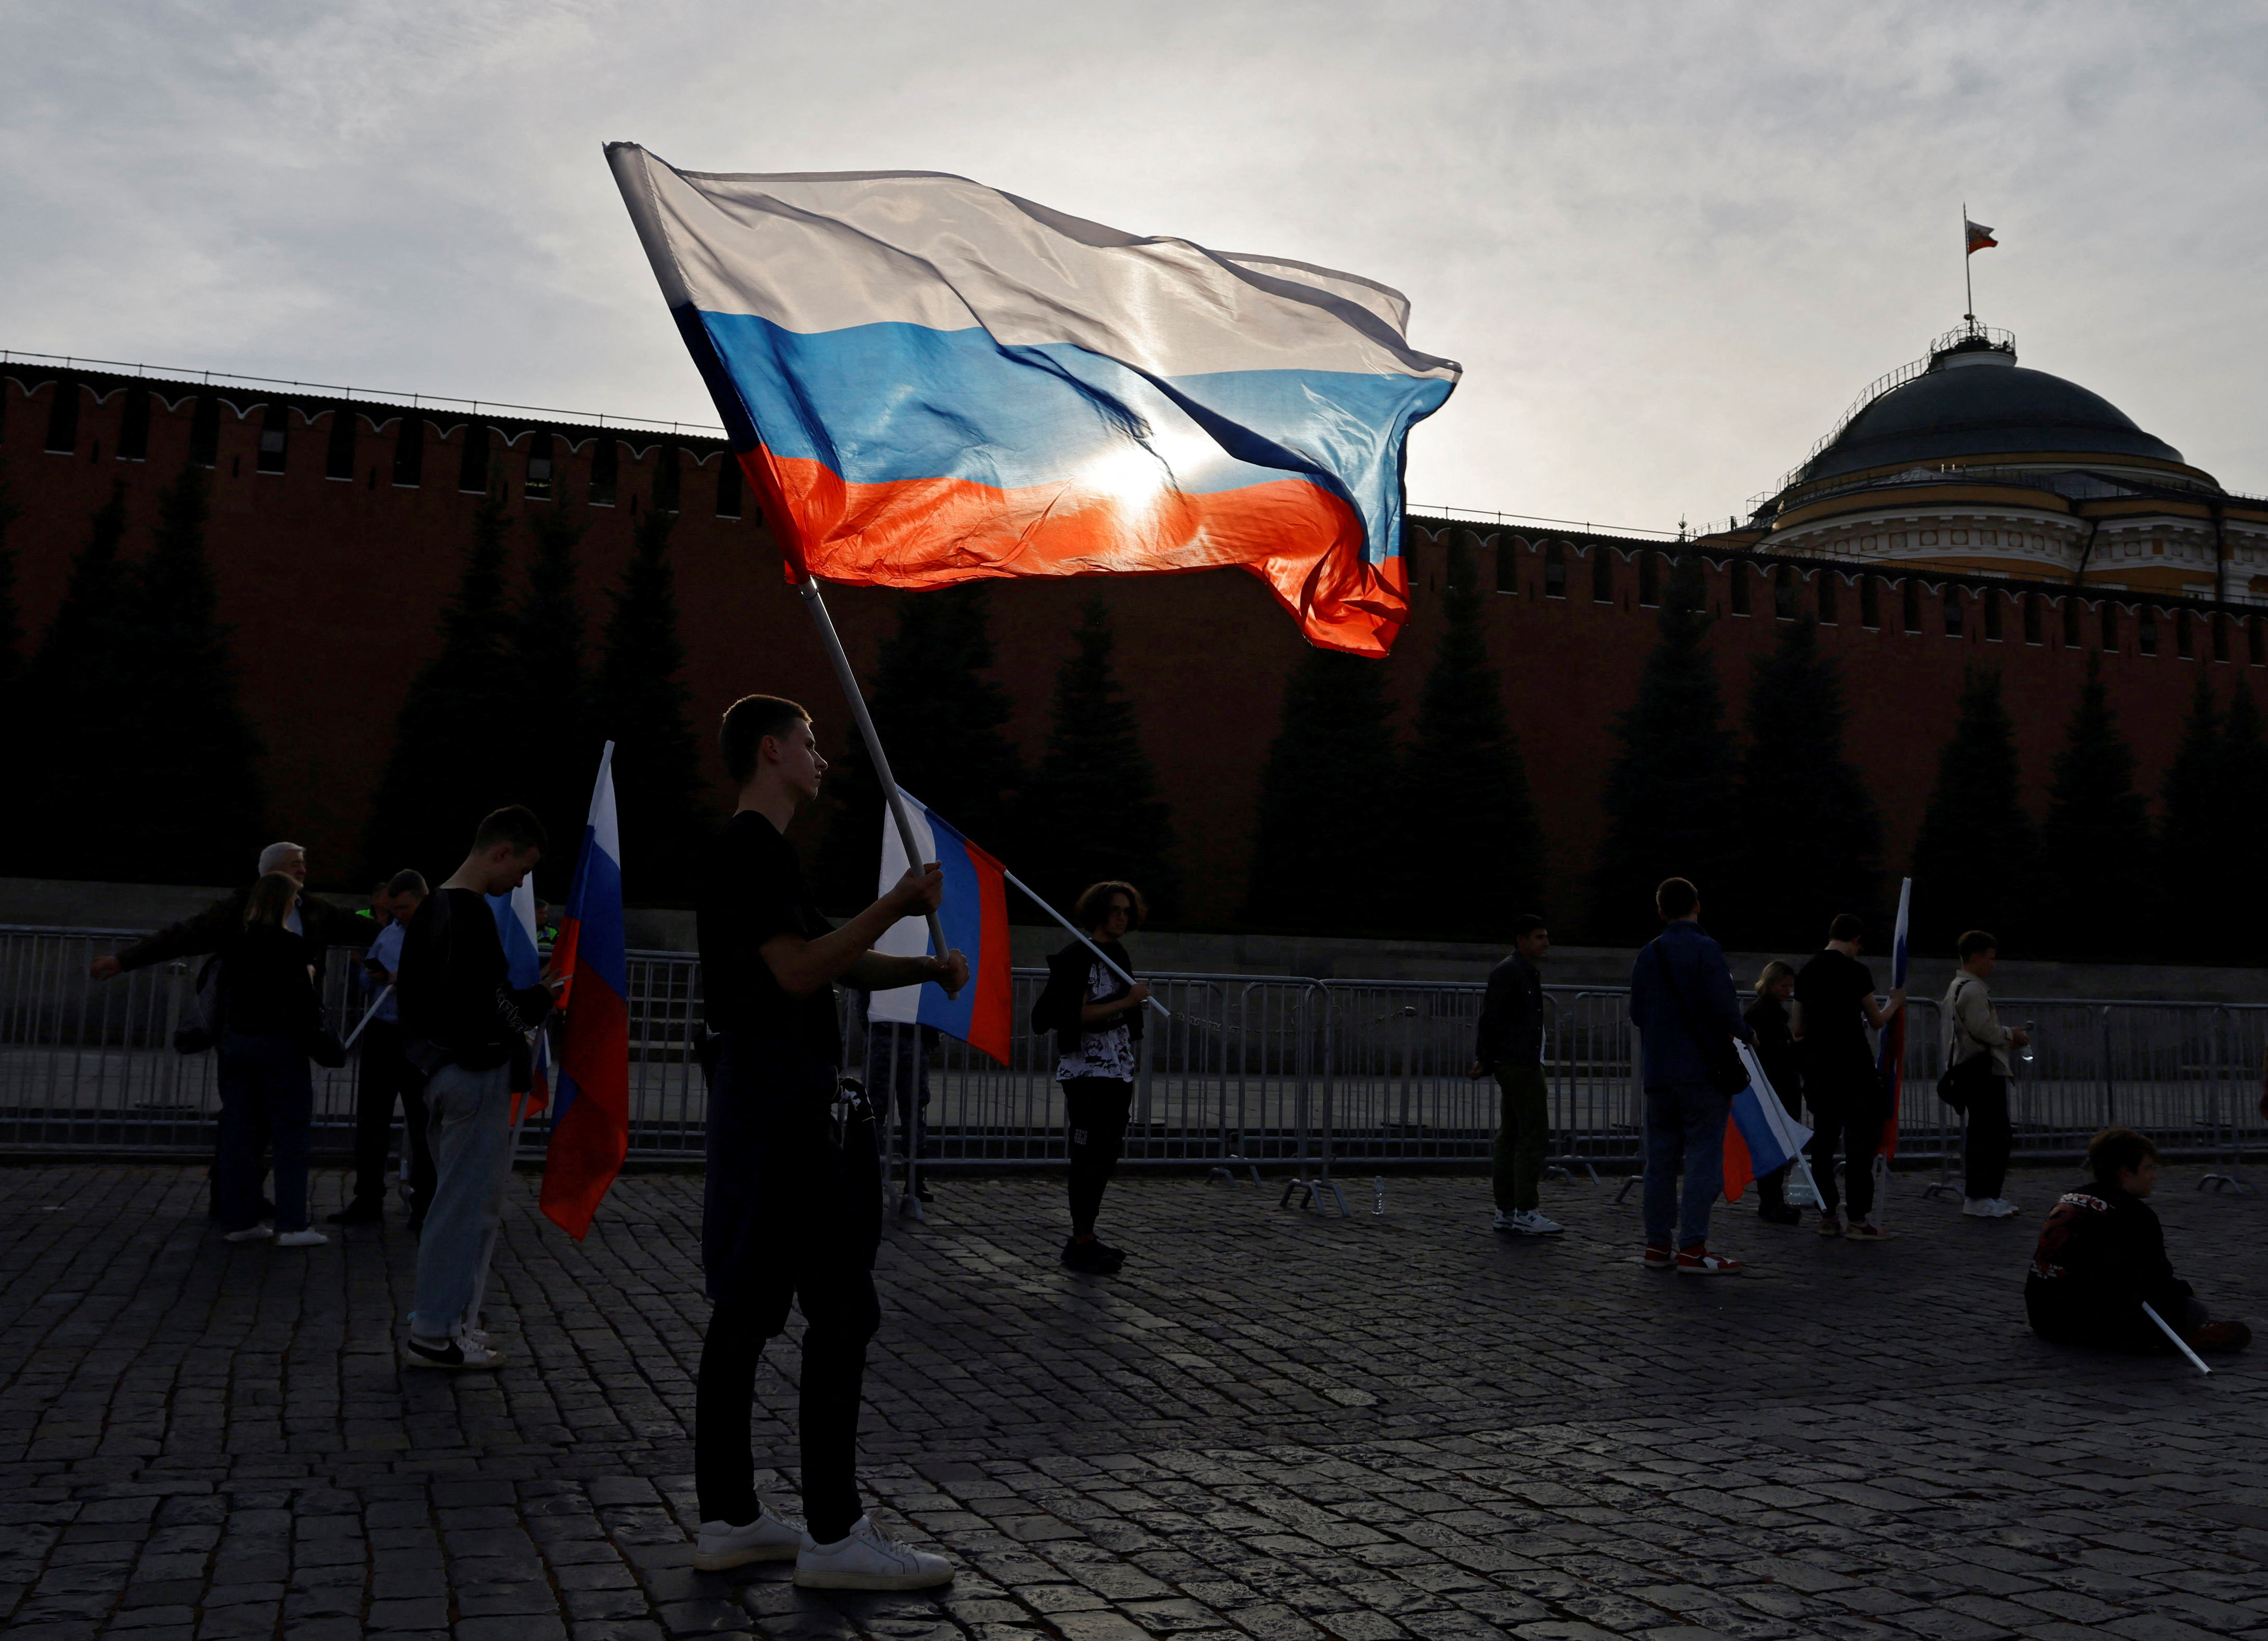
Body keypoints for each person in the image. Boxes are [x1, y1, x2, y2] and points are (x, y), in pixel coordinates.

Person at [691, 694, 965, 1592]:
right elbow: (799, 969)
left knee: (748, 1306)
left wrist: (923, 966)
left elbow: (831, 955)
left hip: (760, 1098)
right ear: (770, 751)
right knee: (843, 1307)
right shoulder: (752, 849)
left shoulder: (756, 853)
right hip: (781, 1102)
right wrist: (897, 903)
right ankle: (836, 1532)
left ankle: (731, 1516)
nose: (822, 758)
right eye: (809, 744)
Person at [395, 807, 559, 1370]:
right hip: (473, 1072)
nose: (519, 882)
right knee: (463, 1206)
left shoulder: (432, 909)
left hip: (439, 1071)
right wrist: (541, 999)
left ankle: (441, 1321)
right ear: (500, 852)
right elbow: (491, 1003)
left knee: (455, 1201)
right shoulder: (466, 913)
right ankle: (436, 1331)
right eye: (522, 869)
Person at [2025, 1127, 2250, 1355]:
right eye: (2148, 1168)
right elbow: (2155, 1280)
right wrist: (2183, 1291)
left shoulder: (2069, 1199)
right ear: (2125, 1173)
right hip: (2090, 1319)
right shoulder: (2136, 1214)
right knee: (2194, 1310)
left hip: (2044, 1315)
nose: (2153, 1176)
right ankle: (2172, 1339)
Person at [1627, 878, 1751, 1274]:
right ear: (1697, 906)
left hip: (1659, 1072)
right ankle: (1693, 1248)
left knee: (1660, 1160)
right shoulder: (1706, 949)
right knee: (1702, 1157)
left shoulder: (1649, 954)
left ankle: (1656, 1246)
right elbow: (1724, 1007)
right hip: (1701, 1071)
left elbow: (1636, 1012)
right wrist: (1748, 1034)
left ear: (1661, 911)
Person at [1034, 881, 1153, 1274]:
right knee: (1087, 1157)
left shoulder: (1117, 955)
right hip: (1088, 1072)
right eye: (1115, 910)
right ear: (1099, 912)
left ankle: (1085, 1235)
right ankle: (1080, 1240)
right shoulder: (1079, 957)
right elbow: (1075, 1015)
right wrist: (1128, 1001)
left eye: (1126, 911)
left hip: (1118, 1070)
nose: (1121, 917)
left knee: (1104, 1157)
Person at [213, 871, 328, 1248]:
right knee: (290, 1136)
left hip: (240, 1044)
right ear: (284, 902)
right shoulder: (291, 946)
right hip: (280, 1047)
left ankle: (239, 1219)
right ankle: (292, 1224)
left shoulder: (236, 944)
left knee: (240, 1136)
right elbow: (302, 1004)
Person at [88, 841, 367, 980]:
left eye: (302, 863)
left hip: (295, 1022)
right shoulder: (237, 908)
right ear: (271, 871)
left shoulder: (314, 909)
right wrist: (124, 960)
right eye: (295, 864)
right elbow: (184, 935)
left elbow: (357, 921)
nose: (303, 870)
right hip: (245, 1019)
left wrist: (391, 920)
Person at [330, 870, 434, 1227]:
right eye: (393, 909)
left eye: (404, 907)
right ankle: (368, 1198)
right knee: (372, 1117)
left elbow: (443, 977)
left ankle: (425, 1203)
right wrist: (372, 976)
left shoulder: (439, 933)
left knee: (423, 1121)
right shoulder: (389, 933)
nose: (398, 915)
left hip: (419, 1035)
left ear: (423, 899)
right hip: (382, 1030)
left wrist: (402, 979)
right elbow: (364, 978)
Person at [1795, 913, 1905, 1241]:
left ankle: (1828, 1215)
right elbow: (1876, 1019)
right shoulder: (1856, 971)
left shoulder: (1808, 970)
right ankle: (1858, 1219)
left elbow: (1797, 1027)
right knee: (1859, 1143)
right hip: (1854, 1068)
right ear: (1855, 941)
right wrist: (1895, 1002)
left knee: (1825, 1142)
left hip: (1819, 1068)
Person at [1470, 913, 1562, 1236]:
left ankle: (1507, 1210)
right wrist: (1485, 1057)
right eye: (1539, 937)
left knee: (1511, 1134)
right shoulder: (1512, 972)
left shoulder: (1518, 971)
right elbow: (1491, 1019)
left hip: (1517, 1061)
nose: (1546, 943)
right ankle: (1525, 1210)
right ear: (1522, 940)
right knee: (1532, 1134)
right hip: (1520, 1063)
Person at [1942, 930, 2030, 1220]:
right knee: (1991, 1135)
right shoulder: (1972, 989)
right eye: (1990, 958)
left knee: (1989, 1134)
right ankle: (1981, 1197)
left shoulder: (1958, 987)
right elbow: (1983, 1030)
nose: (1993, 964)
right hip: (1982, 1070)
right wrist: (2011, 1035)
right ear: (1977, 957)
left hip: (1972, 1069)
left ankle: (1988, 1195)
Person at [1744, 960, 1805, 1226]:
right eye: (1784, 985)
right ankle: (1771, 1201)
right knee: (1775, 1146)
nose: (1788, 991)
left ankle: (1772, 1200)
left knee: (1777, 1146)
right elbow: (1774, 1053)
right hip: (1776, 1087)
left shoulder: (1770, 1012)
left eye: (1791, 986)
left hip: (1779, 1086)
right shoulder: (1765, 1014)